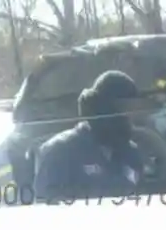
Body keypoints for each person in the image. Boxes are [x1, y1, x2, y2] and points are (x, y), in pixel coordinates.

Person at [33, 69, 146, 202]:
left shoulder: (131, 154)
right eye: (124, 109)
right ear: (104, 109)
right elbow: (47, 212)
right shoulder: (60, 151)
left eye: (133, 110)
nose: (130, 118)